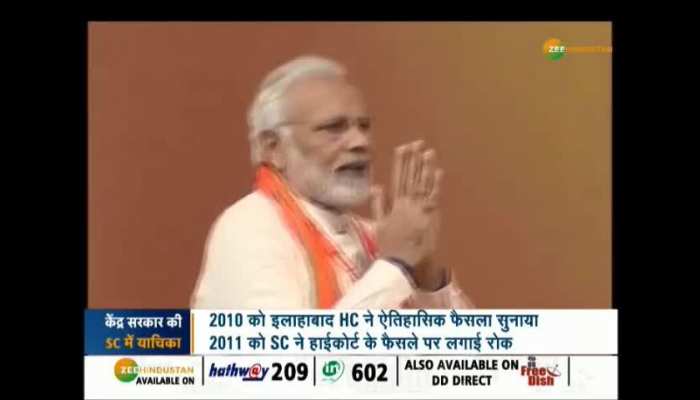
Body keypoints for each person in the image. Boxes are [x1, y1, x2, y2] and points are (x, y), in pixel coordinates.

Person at [191, 55, 474, 309]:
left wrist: (424, 273)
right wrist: (395, 265)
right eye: (333, 128)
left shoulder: (372, 235)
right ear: (273, 148)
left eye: (364, 126)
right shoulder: (250, 228)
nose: (360, 141)